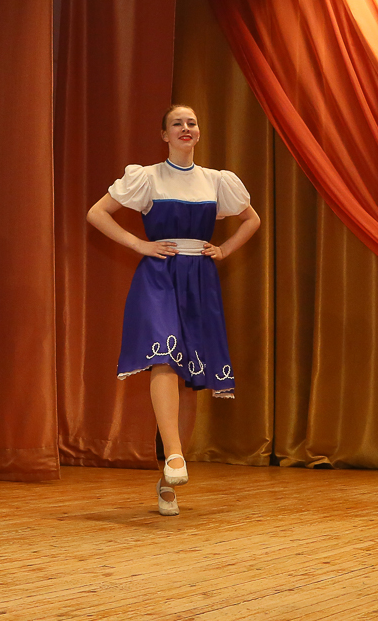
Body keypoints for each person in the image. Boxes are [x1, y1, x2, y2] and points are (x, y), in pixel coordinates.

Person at [86, 105, 260, 516]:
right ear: (164, 135)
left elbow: (251, 220)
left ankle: (168, 479)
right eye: (177, 123)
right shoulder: (147, 177)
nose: (186, 128)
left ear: (198, 133)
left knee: (191, 374)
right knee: (163, 356)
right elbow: (97, 213)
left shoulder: (217, 180)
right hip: (159, 276)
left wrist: (224, 250)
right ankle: (176, 456)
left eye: (192, 123)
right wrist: (139, 245)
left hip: (199, 278)